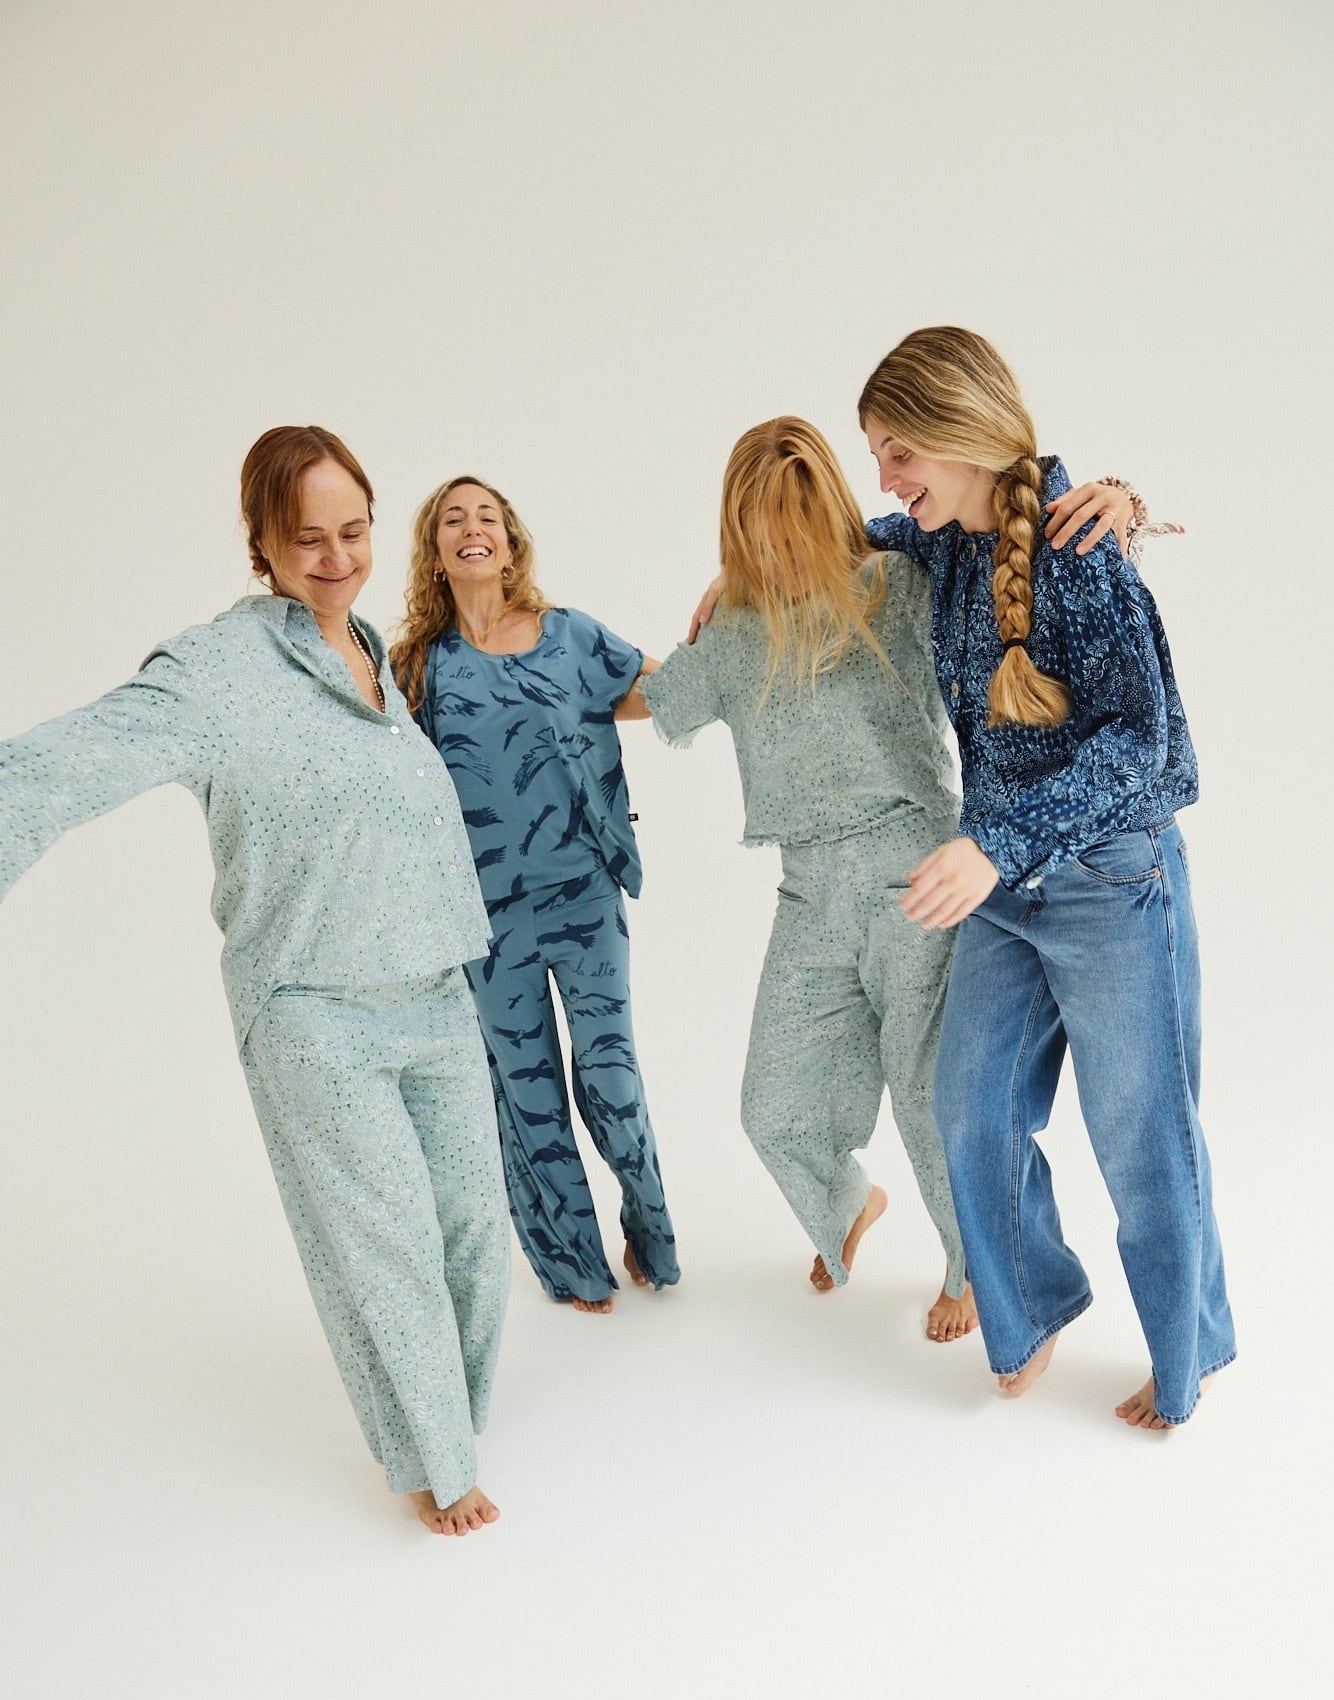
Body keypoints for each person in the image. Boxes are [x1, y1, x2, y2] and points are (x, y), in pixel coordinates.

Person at [0, 427, 510, 1533]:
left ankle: (445, 1423)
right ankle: (436, 1460)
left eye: (354, 533)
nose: (336, 559)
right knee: (385, 1248)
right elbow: (67, 761)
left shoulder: (368, 648)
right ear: (261, 543)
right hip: (314, 1008)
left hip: (431, 985)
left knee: (476, 1232)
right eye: (307, 539)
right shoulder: (214, 671)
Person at [857, 325, 1234, 1428]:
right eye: (876, 456)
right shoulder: (944, 543)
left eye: (898, 452)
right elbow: (838, 537)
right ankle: (1030, 1306)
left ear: (959, 432)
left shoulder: (1077, 548)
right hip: (1003, 892)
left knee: (1143, 1138)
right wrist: (737, 573)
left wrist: (994, 843)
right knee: (968, 1111)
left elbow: (1149, 747)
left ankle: (1190, 1354)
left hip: (1110, 885)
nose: (885, 480)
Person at [634, 417, 977, 1337]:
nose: (778, 559)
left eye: (794, 536)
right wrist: (536, 661)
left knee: (928, 1095)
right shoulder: (738, 632)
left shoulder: (898, 585)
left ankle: (970, 1262)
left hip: (917, 876)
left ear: (830, 516)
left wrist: (1117, 501)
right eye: (758, 542)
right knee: (773, 1107)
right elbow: (660, 697)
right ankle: (847, 1205)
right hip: (808, 890)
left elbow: (988, 555)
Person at [391, 477, 678, 1314]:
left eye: (487, 516)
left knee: (611, 1081)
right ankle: (573, 1265)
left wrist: (726, 645)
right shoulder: (418, 666)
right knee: (528, 1095)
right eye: (453, 520)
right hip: (484, 922)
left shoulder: (570, 636)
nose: (471, 527)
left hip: (584, 897)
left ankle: (649, 1231)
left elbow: (660, 690)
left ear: (510, 545)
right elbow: (394, 782)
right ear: (436, 555)